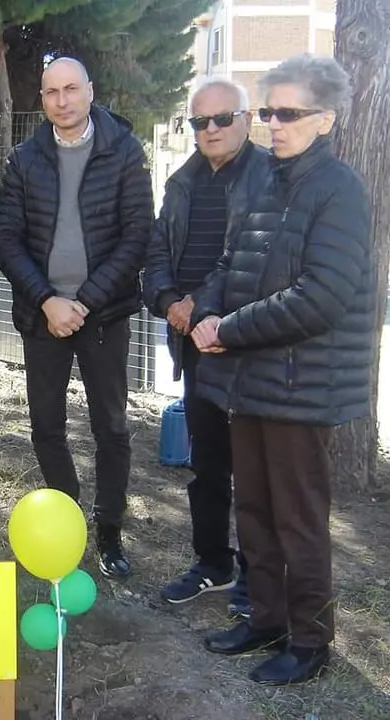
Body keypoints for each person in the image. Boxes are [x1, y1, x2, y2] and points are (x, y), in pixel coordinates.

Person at [190, 54, 372, 685]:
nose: (273, 123)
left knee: (297, 519)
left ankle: (311, 639)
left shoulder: (340, 189)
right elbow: (227, 265)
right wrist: (205, 312)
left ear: (324, 120)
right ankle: (265, 616)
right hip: (250, 380)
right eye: (267, 111)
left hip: (302, 384)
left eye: (287, 113)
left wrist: (229, 330)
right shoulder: (266, 181)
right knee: (255, 510)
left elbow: (322, 297)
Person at [0, 57, 153, 578]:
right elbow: (8, 241)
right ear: (40, 99)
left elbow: (136, 237)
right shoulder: (23, 159)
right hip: (43, 317)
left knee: (110, 427)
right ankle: (67, 520)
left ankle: (109, 530)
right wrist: (47, 301)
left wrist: (82, 303)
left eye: (70, 89)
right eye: (50, 92)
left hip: (103, 315)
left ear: (90, 91)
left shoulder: (125, 152)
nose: (61, 101)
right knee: (46, 426)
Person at [143, 80, 268, 607]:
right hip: (193, 344)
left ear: (245, 119)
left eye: (222, 119)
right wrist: (168, 299)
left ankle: (258, 579)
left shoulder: (269, 178)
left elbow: (256, 260)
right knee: (209, 463)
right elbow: (157, 248)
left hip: (250, 343)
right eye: (200, 122)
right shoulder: (182, 181)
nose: (211, 130)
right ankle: (213, 562)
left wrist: (207, 310)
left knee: (258, 472)